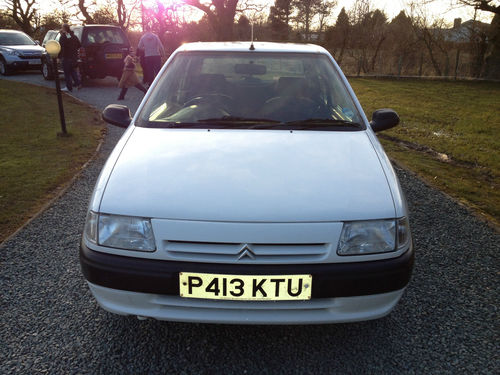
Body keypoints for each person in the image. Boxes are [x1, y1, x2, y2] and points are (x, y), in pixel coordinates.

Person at [59, 24, 81, 92]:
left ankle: (69, 87)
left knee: (67, 73)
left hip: (66, 57)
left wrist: (59, 57)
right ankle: (78, 83)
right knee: (72, 71)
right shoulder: (74, 36)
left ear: (64, 29)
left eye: (62, 28)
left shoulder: (63, 37)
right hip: (74, 57)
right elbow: (79, 45)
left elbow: (60, 47)